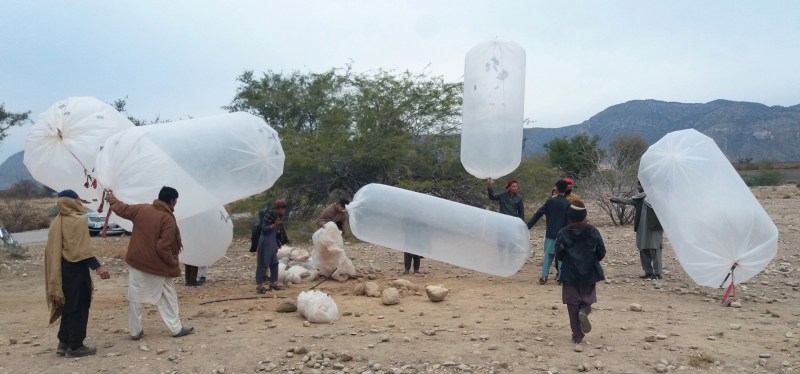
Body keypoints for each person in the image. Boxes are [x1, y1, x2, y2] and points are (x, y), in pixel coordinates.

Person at [105, 186, 194, 339]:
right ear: (172, 200)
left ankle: (135, 331)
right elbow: (163, 246)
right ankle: (175, 329)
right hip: (159, 266)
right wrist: (173, 263)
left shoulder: (142, 209)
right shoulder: (167, 219)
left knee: (136, 298)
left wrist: (111, 198)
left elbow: (122, 209)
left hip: (138, 262)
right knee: (168, 297)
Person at [45, 190, 111, 357]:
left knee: (68, 305)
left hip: (61, 270)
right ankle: (75, 346)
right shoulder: (77, 220)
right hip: (76, 270)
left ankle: (63, 342)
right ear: (73, 201)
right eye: (77, 198)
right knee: (79, 306)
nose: (79, 201)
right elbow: (81, 251)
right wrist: (98, 267)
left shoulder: (57, 221)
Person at [555, 199, 606, 344]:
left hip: (570, 272)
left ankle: (577, 335)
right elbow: (602, 250)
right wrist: (593, 260)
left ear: (570, 216)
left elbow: (558, 253)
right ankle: (585, 311)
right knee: (587, 298)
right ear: (584, 216)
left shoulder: (563, 232)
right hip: (589, 271)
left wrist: (565, 261)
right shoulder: (592, 230)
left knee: (572, 303)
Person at [603, 180, 664, 280]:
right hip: (641, 228)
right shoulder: (639, 199)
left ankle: (657, 273)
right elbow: (626, 201)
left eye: (639, 185)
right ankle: (648, 272)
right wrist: (613, 198)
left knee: (655, 249)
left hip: (654, 228)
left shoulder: (657, 197)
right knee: (643, 249)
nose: (637, 187)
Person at [527, 179, 571, 285]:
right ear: (566, 189)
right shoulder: (567, 203)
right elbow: (569, 220)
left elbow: (538, 213)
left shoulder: (550, 201)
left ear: (556, 188)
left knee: (548, 255)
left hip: (550, 233)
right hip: (563, 234)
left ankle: (544, 276)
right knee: (561, 256)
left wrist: (527, 226)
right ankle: (561, 277)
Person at [256, 199, 287, 293]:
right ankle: (259, 286)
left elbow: (277, 233)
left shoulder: (278, 216)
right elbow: (264, 229)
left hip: (272, 243)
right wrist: (274, 224)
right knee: (263, 264)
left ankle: (273, 284)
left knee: (274, 264)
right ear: (280, 208)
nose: (284, 210)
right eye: (283, 208)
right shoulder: (269, 216)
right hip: (265, 243)